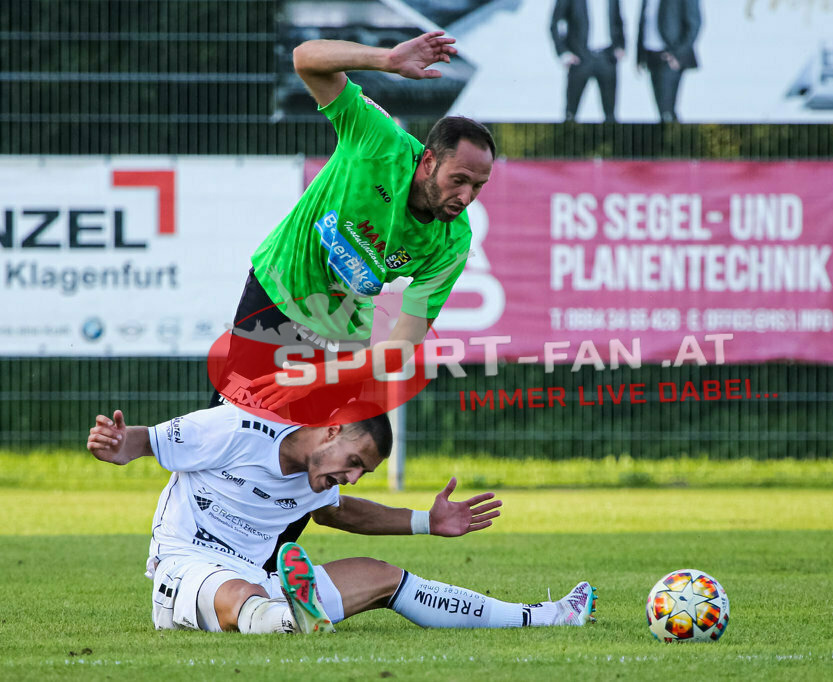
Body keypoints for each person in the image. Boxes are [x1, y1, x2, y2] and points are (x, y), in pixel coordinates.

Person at [86, 402, 597, 634]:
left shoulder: (320, 480)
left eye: (363, 472)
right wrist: (116, 444)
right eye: (355, 462)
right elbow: (145, 441)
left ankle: (546, 616)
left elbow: (350, 514)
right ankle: (285, 616)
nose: (352, 477)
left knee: (381, 576)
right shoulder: (232, 428)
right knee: (246, 597)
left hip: (260, 577)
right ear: (332, 431)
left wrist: (427, 521)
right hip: (185, 569)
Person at [211, 30, 496, 421]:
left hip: (342, 337)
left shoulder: (453, 242)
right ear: (428, 161)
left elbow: (399, 348)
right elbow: (305, 58)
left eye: (478, 186)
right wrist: (387, 61)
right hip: (277, 293)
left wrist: (315, 376)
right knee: (227, 429)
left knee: (316, 463)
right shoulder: (377, 141)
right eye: (458, 180)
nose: (465, 197)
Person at [550, 0, 626, 123]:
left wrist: (621, 45)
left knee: (610, 115)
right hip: (580, 59)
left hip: (606, 59)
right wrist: (564, 53)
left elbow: (618, 19)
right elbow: (555, 23)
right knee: (571, 113)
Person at [637, 0, 701, 123]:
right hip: (651, 56)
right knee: (662, 111)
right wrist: (639, 56)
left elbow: (694, 23)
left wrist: (678, 54)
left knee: (667, 111)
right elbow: (643, 23)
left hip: (669, 57)